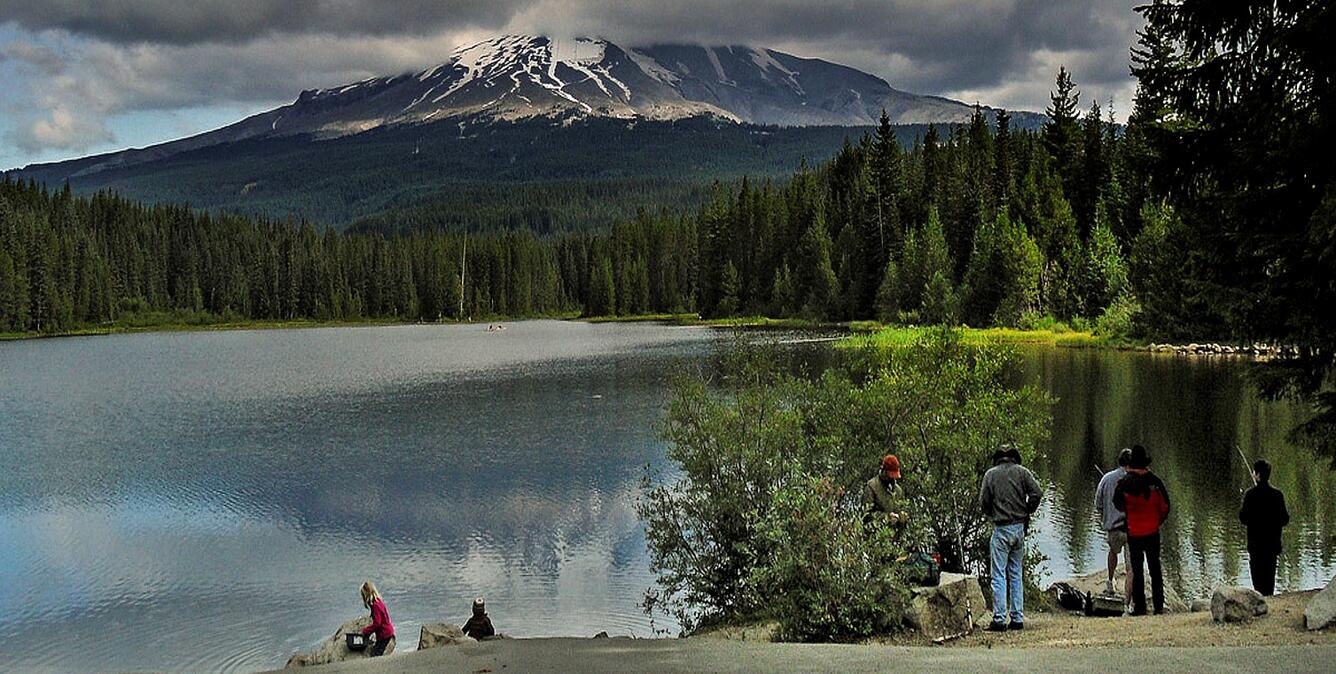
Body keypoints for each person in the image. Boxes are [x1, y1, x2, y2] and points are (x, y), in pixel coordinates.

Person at [978, 444, 1042, 631]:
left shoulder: (990, 474)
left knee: (998, 574)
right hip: (1019, 528)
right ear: (1014, 457)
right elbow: (1037, 493)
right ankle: (1017, 618)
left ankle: (999, 619)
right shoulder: (1023, 473)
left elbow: (984, 502)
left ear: (998, 457)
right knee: (1015, 573)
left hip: (1001, 528)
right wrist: (1028, 509)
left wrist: (992, 513)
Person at [1113, 445, 1171, 615]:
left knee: (1137, 570)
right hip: (1152, 531)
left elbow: (1117, 504)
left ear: (1131, 464)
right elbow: (1165, 506)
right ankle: (1159, 606)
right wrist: (1157, 521)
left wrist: (1130, 513)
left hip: (1134, 531)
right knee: (1155, 569)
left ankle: (1140, 607)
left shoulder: (1124, 483)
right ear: (1145, 463)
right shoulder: (1155, 481)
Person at [1239, 459, 1290, 596]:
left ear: (1257, 475)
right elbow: (1285, 519)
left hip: (1256, 546)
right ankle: (1268, 602)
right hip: (1272, 546)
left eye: (1254, 472)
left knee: (1258, 582)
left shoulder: (1250, 495)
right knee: (1269, 581)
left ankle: (1261, 604)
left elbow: (1243, 518)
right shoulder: (1277, 495)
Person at [1094, 448, 1134, 599]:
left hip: (1114, 529)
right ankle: (1128, 603)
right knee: (1131, 569)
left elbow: (1098, 504)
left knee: (1113, 552)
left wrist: (1107, 515)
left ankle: (1110, 583)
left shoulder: (1106, 479)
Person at [863, 454, 908, 525]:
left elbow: (902, 510)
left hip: (895, 534)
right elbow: (866, 515)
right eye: (890, 475)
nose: (892, 478)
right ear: (884, 470)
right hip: (876, 533)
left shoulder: (898, 490)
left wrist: (902, 518)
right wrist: (886, 517)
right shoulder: (872, 486)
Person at [360, 581, 395, 657]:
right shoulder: (378, 602)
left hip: (385, 634)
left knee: (376, 654)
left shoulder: (375, 606)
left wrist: (366, 631)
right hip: (386, 632)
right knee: (377, 651)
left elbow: (377, 624)